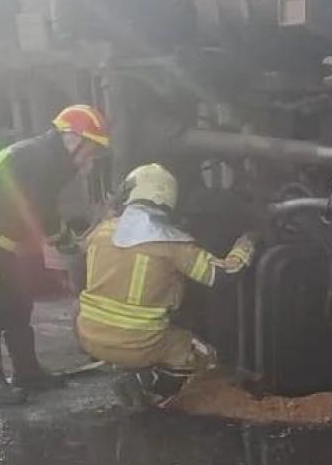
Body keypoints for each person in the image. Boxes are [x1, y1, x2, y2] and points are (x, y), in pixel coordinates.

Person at [0, 104, 110, 406]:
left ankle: (27, 371)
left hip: (1, 236)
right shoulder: (42, 159)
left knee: (19, 301)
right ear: (73, 139)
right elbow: (41, 212)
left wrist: (61, 239)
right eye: (91, 149)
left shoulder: (52, 159)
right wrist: (68, 243)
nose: (91, 158)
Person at [75, 163, 257, 403]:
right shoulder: (173, 245)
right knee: (206, 356)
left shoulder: (100, 232)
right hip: (139, 343)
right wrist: (247, 242)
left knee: (134, 329)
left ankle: (127, 369)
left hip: (87, 334)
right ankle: (151, 387)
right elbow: (225, 275)